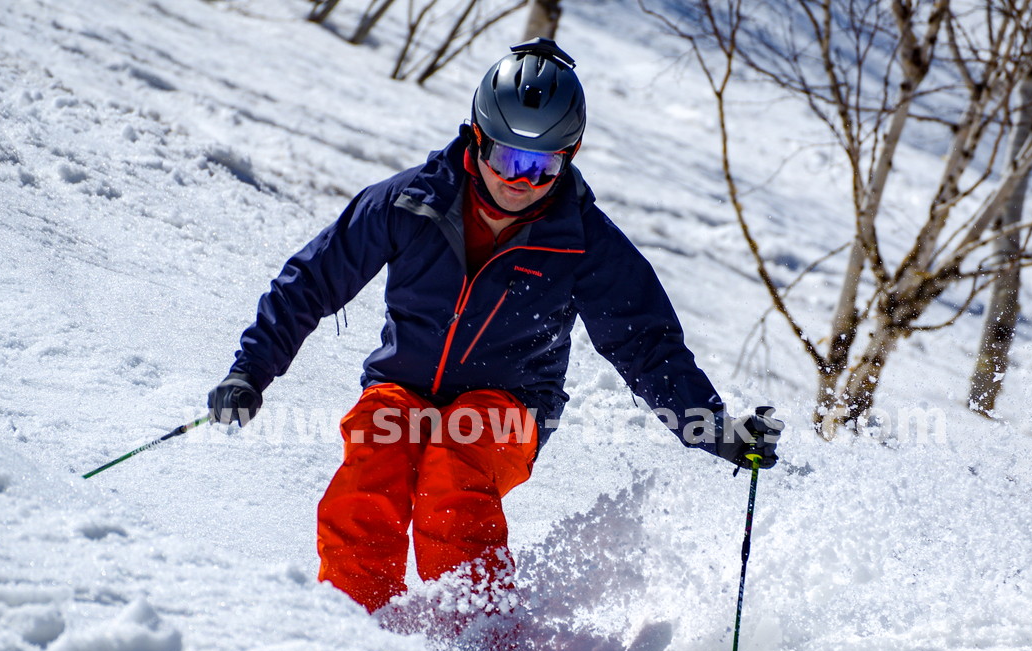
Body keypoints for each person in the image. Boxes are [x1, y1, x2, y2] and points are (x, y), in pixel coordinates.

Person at [208, 38, 783, 619]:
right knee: (371, 469)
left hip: (511, 405)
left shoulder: (584, 242)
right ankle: (357, 620)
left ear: (571, 155)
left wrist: (716, 430)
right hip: (401, 389)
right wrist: (249, 371)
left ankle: (474, 636)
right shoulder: (410, 203)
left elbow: (644, 343)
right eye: (508, 159)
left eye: (543, 167)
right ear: (476, 138)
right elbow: (313, 279)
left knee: (453, 469)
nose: (521, 181)